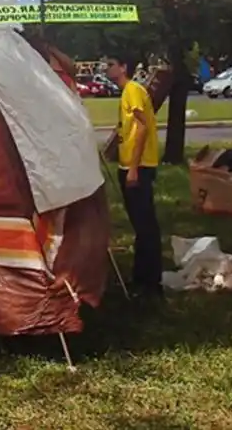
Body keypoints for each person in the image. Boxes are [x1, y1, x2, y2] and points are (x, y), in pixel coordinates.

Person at [104, 54, 163, 297]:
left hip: (138, 166)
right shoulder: (127, 92)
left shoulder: (133, 90)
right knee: (140, 225)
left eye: (110, 65)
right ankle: (141, 276)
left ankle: (150, 282)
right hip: (128, 164)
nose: (105, 69)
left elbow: (142, 126)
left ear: (123, 66)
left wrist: (134, 168)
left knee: (145, 224)